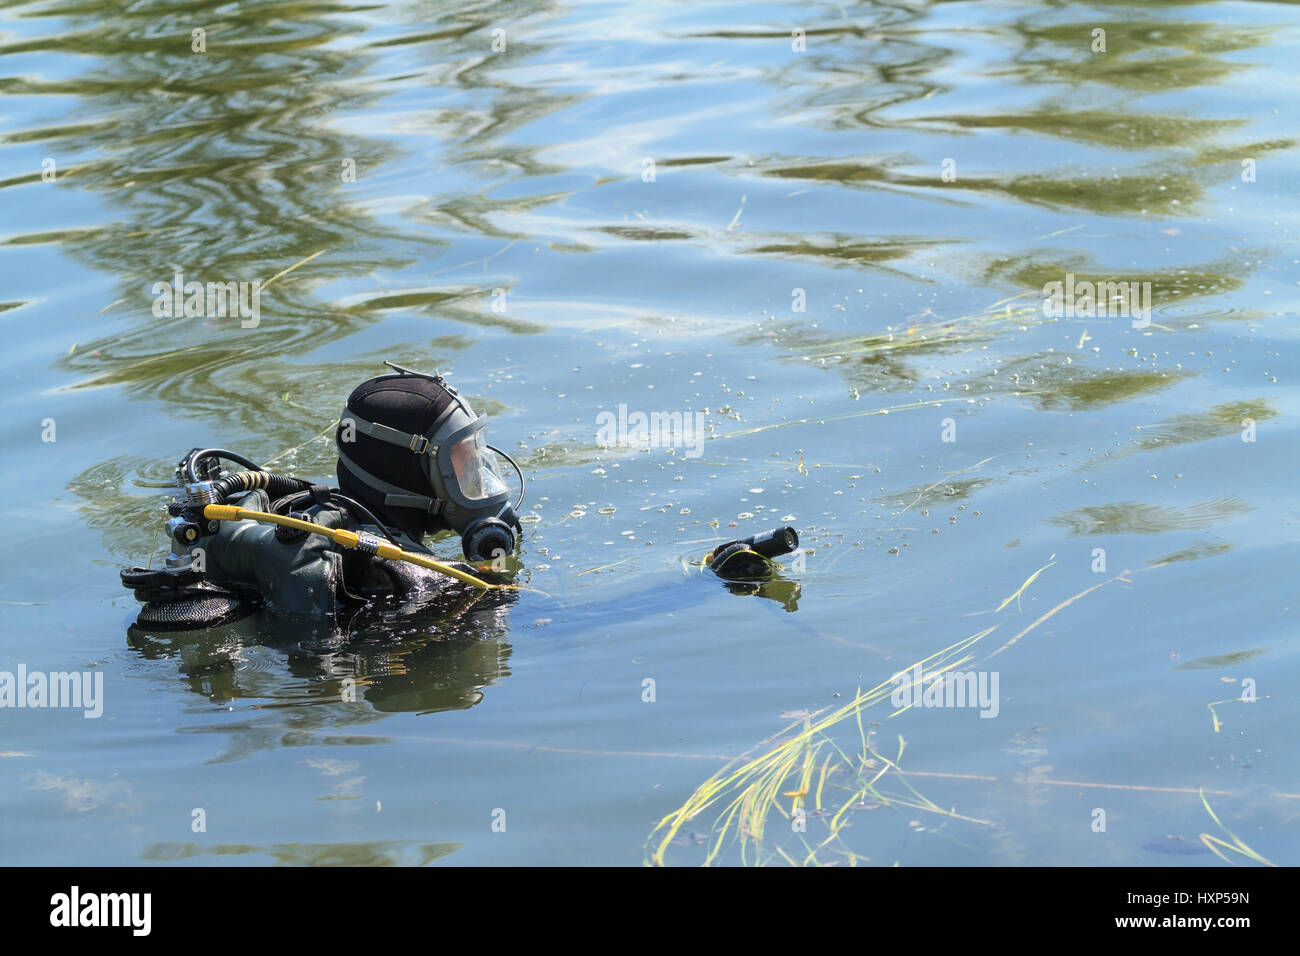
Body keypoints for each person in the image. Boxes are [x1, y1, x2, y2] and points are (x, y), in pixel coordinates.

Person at [121, 363, 525, 630]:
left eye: (476, 455)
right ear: (405, 471)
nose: (475, 476)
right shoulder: (420, 577)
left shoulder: (302, 513)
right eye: (460, 460)